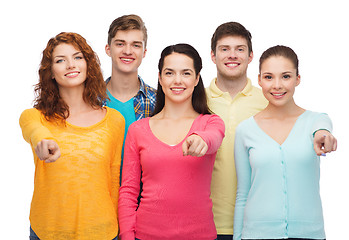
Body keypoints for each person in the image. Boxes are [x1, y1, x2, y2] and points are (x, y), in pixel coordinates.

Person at [206, 22, 337, 240]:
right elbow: (243, 193)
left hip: (306, 233)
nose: (277, 85)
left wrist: (324, 134)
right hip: (228, 226)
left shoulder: (309, 119)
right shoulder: (235, 122)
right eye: (269, 77)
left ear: (298, 79)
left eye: (285, 76)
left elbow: (321, 125)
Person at [19, 32, 125, 240]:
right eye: (60, 60)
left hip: (103, 232)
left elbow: (114, 182)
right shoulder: (36, 117)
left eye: (77, 57)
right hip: (47, 232)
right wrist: (42, 140)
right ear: (50, 72)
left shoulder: (114, 120)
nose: (70, 65)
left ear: (88, 64)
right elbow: (33, 131)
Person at [118, 43, 225, 240]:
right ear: (159, 78)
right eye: (169, 73)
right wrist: (126, 235)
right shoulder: (138, 129)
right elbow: (128, 191)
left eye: (186, 73)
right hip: (145, 235)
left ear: (196, 79)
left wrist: (201, 138)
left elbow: (214, 137)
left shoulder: (210, 123)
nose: (177, 80)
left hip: (199, 236)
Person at [105, 14, 156, 164]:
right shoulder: (89, 99)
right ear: (108, 49)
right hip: (98, 186)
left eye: (136, 45)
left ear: (144, 52)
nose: (128, 51)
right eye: (120, 44)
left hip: (144, 187)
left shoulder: (159, 100)